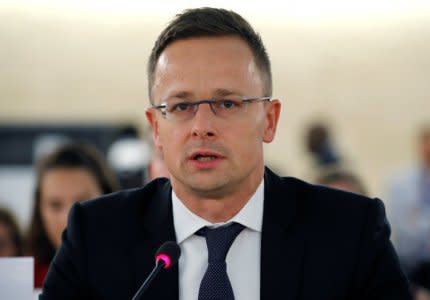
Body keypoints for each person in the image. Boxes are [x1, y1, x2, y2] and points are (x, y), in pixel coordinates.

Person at [40, 8, 411, 300]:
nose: (202, 126)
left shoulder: (349, 232)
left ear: (269, 119)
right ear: (156, 129)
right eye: (182, 107)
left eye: (227, 103)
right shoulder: (97, 235)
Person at [27, 143, 120, 288]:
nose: (68, 219)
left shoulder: (146, 271)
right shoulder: (21, 279)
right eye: (55, 205)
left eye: (83, 203)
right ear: (39, 209)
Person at [387, 125, 430, 297]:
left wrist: (417, 219)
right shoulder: (400, 182)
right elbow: (400, 224)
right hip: (410, 263)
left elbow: (412, 222)